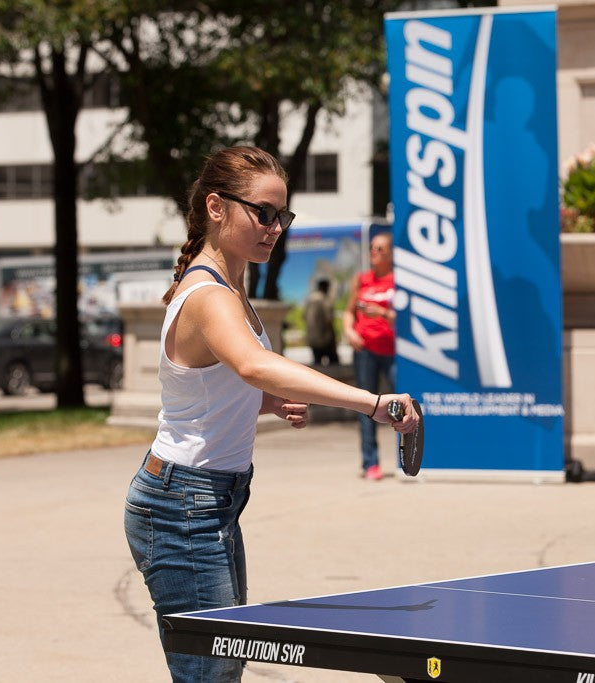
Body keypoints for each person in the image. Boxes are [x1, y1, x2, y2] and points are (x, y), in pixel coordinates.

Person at [122, 146, 418, 683]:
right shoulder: (210, 293)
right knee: (211, 677)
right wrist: (374, 402)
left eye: (283, 215)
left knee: (221, 670)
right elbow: (254, 364)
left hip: (209, 498)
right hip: (183, 506)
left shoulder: (234, 283)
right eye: (263, 212)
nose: (275, 227)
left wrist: (266, 402)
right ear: (216, 207)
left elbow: (207, 385)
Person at [341, 232, 396, 481]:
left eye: (380, 249)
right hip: (366, 352)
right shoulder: (362, 280)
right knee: (367, 407)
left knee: (404, 406)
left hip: (394, 353)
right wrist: (349, 331)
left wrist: (382, 314)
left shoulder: (397, 281)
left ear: (391, 254)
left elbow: (406, 319)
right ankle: (370, 463)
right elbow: (348, 312)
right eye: (373, 248)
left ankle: (413, 459)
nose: (374, 252)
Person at [302, 277, 338, 366]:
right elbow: (328, 318)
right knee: (333, 364)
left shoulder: (310, 298)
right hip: (325, 338)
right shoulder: (324, 299)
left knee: (317, 364)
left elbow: (304, 316)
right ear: (325, 287)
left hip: (313, 338)